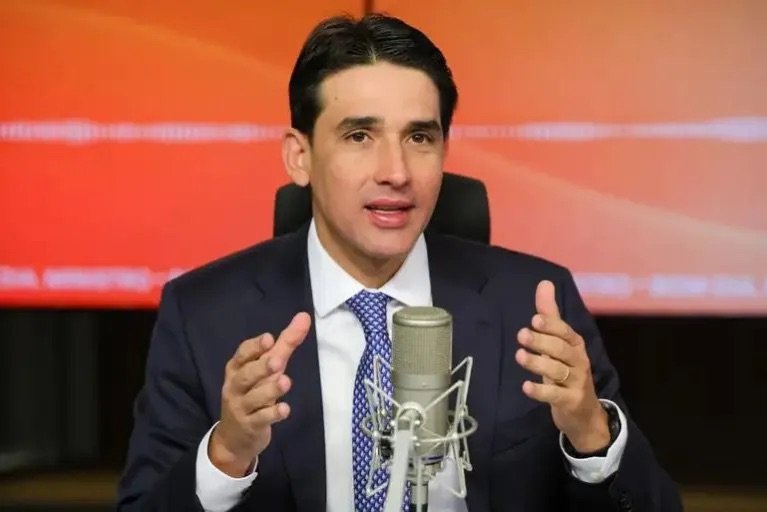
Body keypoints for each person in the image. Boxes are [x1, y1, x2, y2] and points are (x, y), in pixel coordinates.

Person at [116, 13, 682, 512]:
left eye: (420, 138)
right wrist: (226, 454)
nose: (396, 172)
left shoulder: (533, 305)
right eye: (360, 136)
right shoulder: (204, 315)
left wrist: (591, 435)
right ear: (299, 156)